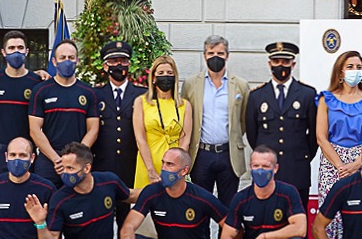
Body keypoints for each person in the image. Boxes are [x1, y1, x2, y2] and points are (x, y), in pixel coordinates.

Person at [315, 50, 362, 239]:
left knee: (357, 211)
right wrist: (340, 166)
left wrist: (356, 164)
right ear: (340, 72)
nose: (355, 71)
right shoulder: (326, 99)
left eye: (359, 67)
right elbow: (321, 137)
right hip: (332, 162)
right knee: (331, 216)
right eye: (350, 67)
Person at [244, 41, 317, 209]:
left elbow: (313, 135)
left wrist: (301, 155)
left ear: (293, 63)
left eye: (285, 61)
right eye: (276, 61)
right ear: (270, 64)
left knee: (298, 220)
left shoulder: (307, 94)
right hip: (267, 172)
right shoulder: (256, 96)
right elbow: (252, 134)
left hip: (297, 168)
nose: (281, 65)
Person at [183, 35, 249, 205]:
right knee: (200, 206)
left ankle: (225, 233)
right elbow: (186, 117)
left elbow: (243, 120)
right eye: (211, 53)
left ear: (227, 55)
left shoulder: (240, 85)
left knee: (228, 207)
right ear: (204, 55)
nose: (215, 57)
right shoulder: (191, 84)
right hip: (201, 155)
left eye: (220, 53)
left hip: (229, 155)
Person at [29, 39, 100, 184]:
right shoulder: (41, 90)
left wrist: (76, 158)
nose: (67, 61)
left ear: (77, 61)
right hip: (49, 161)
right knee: (46, 203)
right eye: (62, 58)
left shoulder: (88, 92)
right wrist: (56, 159)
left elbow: (93, 129)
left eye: (71, 58)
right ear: (54, 62)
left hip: (78, 163)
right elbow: (35, 129)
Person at [133, 55, 192, 191]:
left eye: (170, 73)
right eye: (161, 73)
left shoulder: (185, 106)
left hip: (175, 167)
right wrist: (151, 170)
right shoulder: (142, 102)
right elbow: (140, 139)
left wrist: (177, 169)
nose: (165, 76)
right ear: (153, 78)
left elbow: (185, 140)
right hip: (148, 163)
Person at [0, 30, 37, 178]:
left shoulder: (36, 82)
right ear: (3, 52)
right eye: (11, 48)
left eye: (20, 48)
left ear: (27, 51)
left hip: (26, 153)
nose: (16, 52)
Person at [92, 40, 143, 188]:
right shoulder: (96, 94)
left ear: (129, 64)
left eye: (123, 61)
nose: (119, 65)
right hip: (102, 164)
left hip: (131, 164)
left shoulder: (142, 95)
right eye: (114, 61)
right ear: (105, 66)